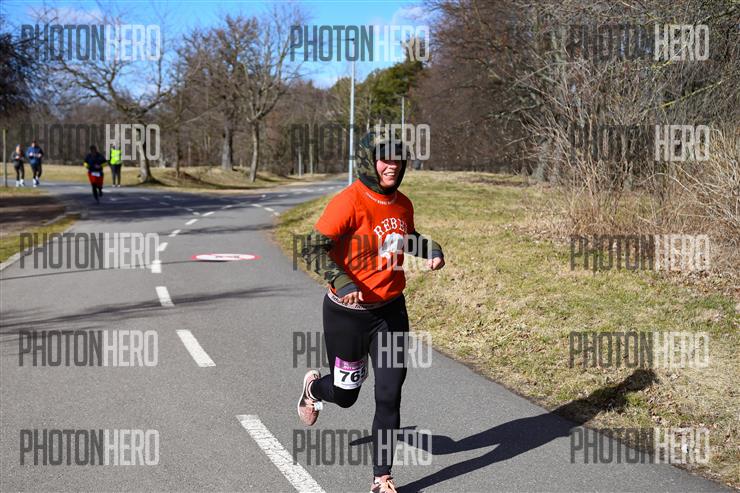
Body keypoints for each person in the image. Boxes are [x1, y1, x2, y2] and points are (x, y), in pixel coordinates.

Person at [298, 131, 445, 493]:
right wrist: (343, 282)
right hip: (347, 314)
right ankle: (314, 388)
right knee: (346, 395)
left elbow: (405, 237)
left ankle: (382, 478)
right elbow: (311, 248)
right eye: (384, 159)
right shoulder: (348, 202)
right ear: (368, 161)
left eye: (398, 159)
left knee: (389, 393)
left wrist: (431, 249)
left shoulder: (402, 203)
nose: (392, 166)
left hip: (390, 312)